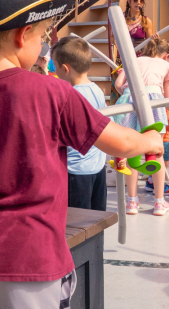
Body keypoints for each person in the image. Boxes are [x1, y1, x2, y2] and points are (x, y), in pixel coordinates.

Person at [0, 0, 162, 308]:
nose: (45, 44)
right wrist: (149, 139)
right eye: (44, 35)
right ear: (23, 36)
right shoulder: (53, 93)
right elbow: (119, 143)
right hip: (31, 260)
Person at [114, 38, 169, 215]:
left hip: (129, 101)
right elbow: (168, 98)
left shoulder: (133, 60)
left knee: (132, 152)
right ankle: (159, 202)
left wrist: (129, 95)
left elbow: (118, 84)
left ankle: (132, 202)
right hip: (153, 105)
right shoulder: (166, 66)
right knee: (155, 152)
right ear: (165, 55)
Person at [51, 36, 108, 211]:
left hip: (75, 172)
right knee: (97, 221)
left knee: (77, 225)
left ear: (65, 68)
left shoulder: (69, 95)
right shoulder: (97, 90)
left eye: (54, 65)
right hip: (98, 168)